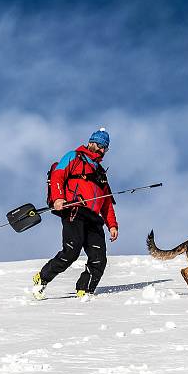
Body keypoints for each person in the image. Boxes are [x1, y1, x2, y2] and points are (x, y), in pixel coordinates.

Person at [33, 128, 118, 300]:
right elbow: (58, 176)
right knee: (71, 252)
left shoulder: (101, 173)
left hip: (94, 219)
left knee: (99, 259)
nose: (102, 150)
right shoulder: (74, 157)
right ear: (91, 143)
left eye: (105, 148)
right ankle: (42, 278)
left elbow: (107, 202)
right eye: (100, 145)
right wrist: (58, 198)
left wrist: (112, 225)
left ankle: (85, 290)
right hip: (75, 210)